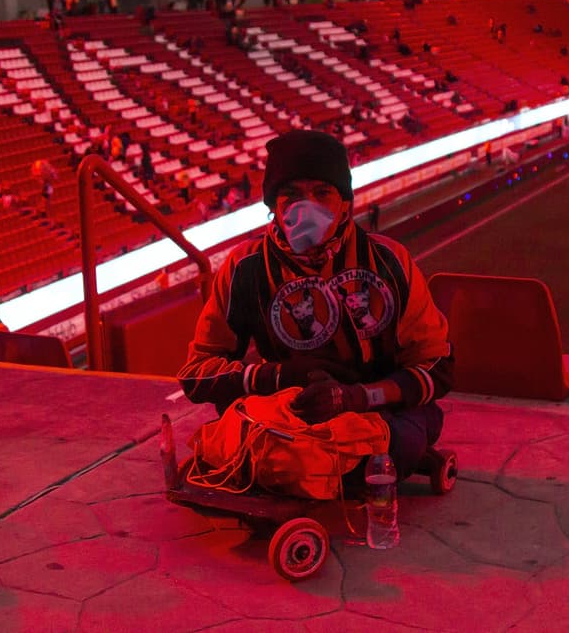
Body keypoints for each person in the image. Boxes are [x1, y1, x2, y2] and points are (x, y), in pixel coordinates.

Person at [178, 130, 454, 480]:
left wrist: (354, 398)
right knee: (252, 434)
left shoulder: (389, 261)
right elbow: (195, 374)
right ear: (273, 207)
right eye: (290, 196)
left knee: (398, 442)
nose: (306, 207)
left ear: (346, 202)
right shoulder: (245, 268)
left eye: (322, 192)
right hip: (288, 412)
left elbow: (438, 366)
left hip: (378, 410)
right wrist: (277, 377)